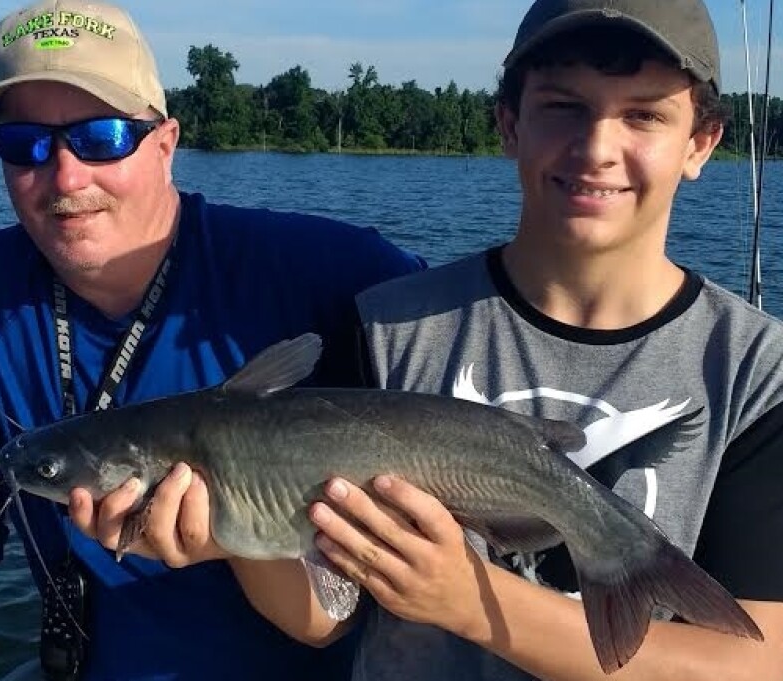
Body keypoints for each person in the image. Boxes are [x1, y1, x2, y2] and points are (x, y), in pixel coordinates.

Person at [0, 1, 423, 679]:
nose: (65, 177)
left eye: (103, 136)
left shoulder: (319, 268)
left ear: (166, 143)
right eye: (25, 143)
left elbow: (481, 323)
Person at [303, 1, 783, 680]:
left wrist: (472, 600)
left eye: (643, 114)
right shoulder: (386, 330)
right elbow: (323, 614)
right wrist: (229, 525)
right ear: (509, 124)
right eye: (563, 106)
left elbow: (756, 663)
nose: (595, 148)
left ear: (701, 142)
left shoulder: (755, 373)